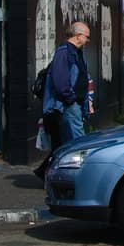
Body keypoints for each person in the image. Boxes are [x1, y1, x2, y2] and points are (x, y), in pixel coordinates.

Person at [34, 21, 91, 179]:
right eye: (86, 37)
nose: (87, 41)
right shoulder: (64, 52)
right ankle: (81, 176)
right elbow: (60, 81)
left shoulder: (76, 53)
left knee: (66, 143)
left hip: (75, 103)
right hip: (68, 105)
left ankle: (52, 173)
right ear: (78, 36)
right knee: (78, 142)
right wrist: (70, 98)